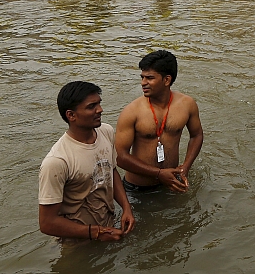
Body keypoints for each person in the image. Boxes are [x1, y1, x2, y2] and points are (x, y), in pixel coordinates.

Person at [39, 81, 135, 241]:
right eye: (91, 106)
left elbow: (111, 171)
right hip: (76, 241)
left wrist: (126, 208)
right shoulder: (57, 161)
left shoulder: (106, 132)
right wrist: (96, 233)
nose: (100, 110)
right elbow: (47, 223)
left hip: (109, 227)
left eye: (99, 103)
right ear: (71, 115)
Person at [115, 50, 203, 193]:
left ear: (167, 80)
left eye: (149, 78)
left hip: (173, 183)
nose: (143, 83)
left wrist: (185, 167)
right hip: (138, 189)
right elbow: (120, 157)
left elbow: (196, 135)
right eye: (142, 77)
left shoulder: (187, 104)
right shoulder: (132, 111)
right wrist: (159, 174)